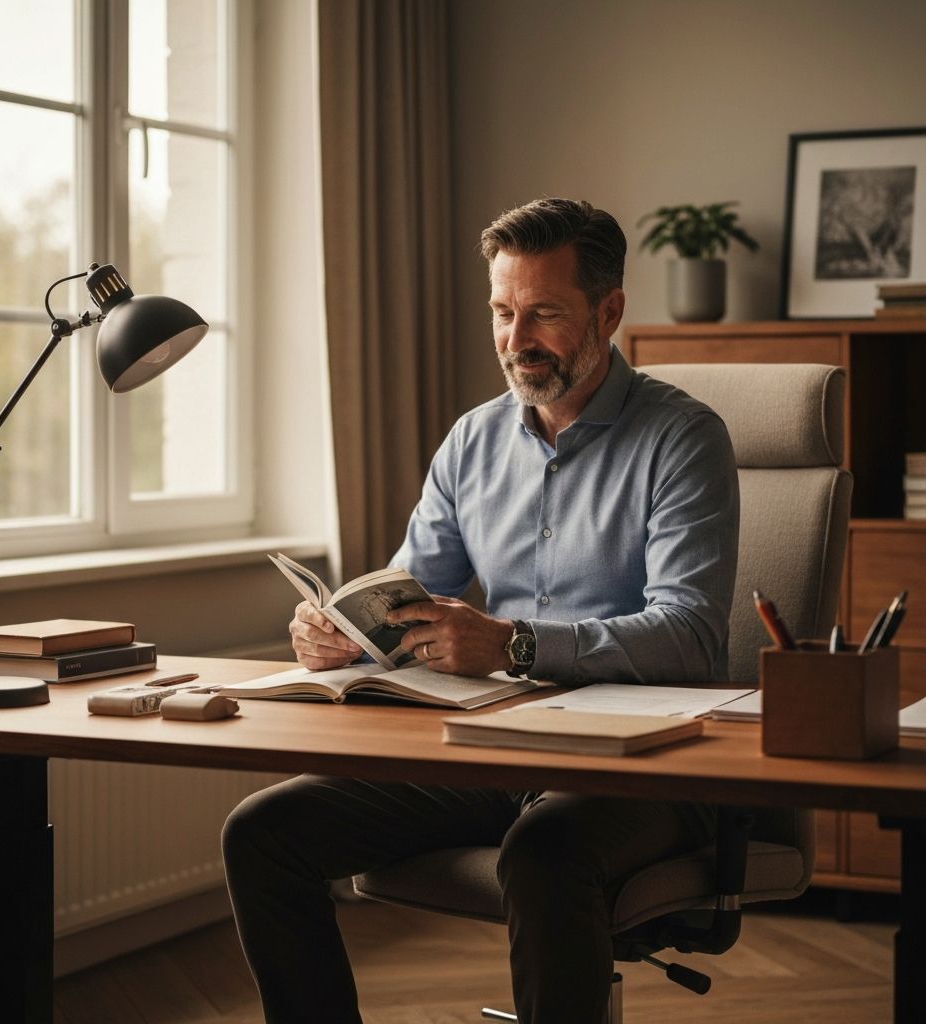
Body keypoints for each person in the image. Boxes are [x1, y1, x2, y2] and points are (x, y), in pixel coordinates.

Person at [222, 198, 740, 1024]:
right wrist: (340, 636)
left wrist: (517, 643)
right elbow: (405, 599)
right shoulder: (471, 441)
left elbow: (690, 634)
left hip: (642, 768)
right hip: (491, 750)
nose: (515, 338)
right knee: (263, 832)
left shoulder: (683, 439)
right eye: (502, 311)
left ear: (609, 312)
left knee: (544, 853)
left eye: (544, 313)